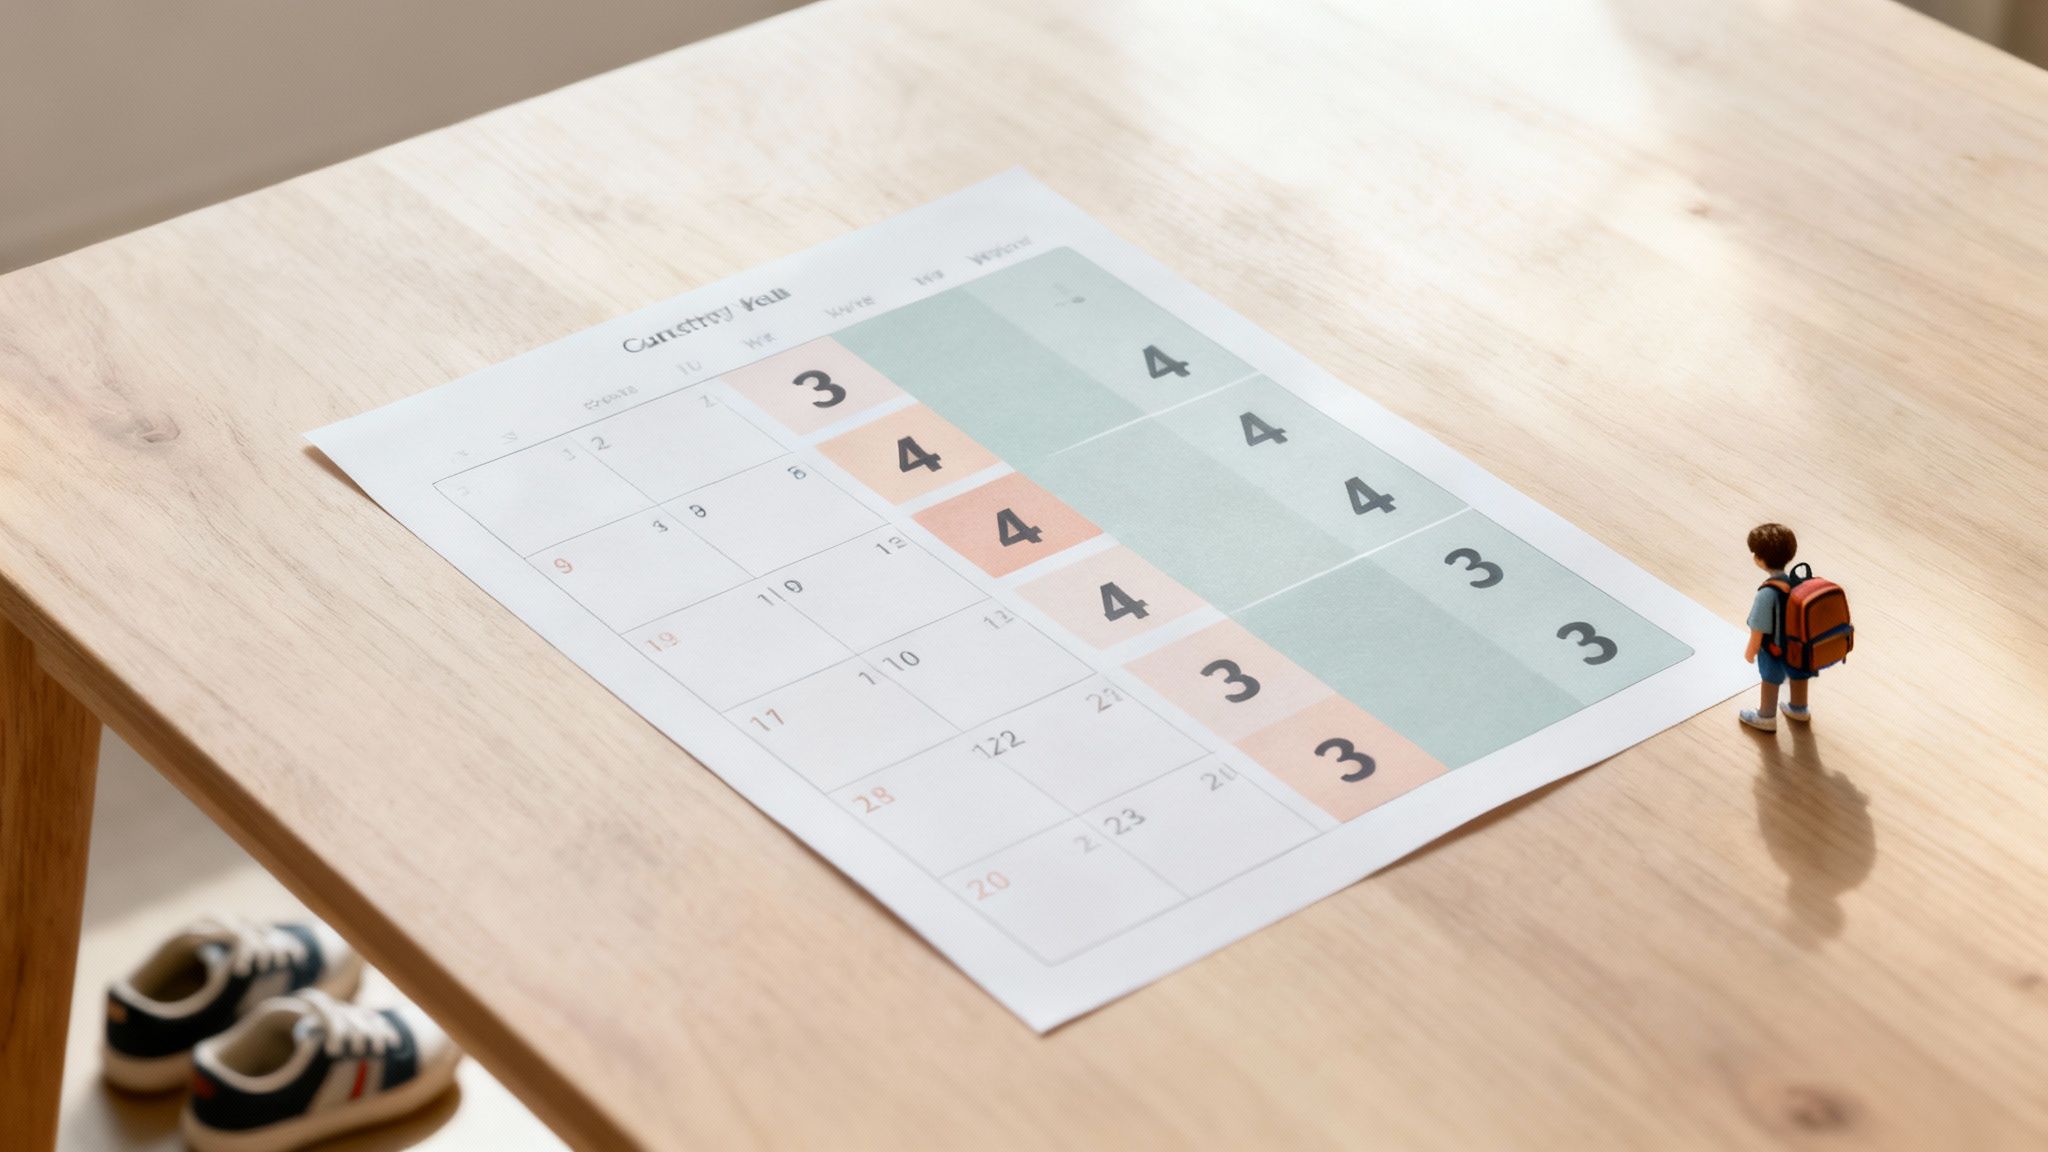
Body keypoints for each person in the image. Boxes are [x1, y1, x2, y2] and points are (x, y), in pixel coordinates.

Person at [1740, 522, 1810, 732]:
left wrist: (1751, 651)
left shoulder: (1766, 593)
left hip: (1775, 651)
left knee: (1770, 680)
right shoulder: (1797, 583)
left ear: (1760, 560)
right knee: (1799, 676)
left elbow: (1758, 628)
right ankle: (1799, 708)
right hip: (1799, 647)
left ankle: (1766, 716)